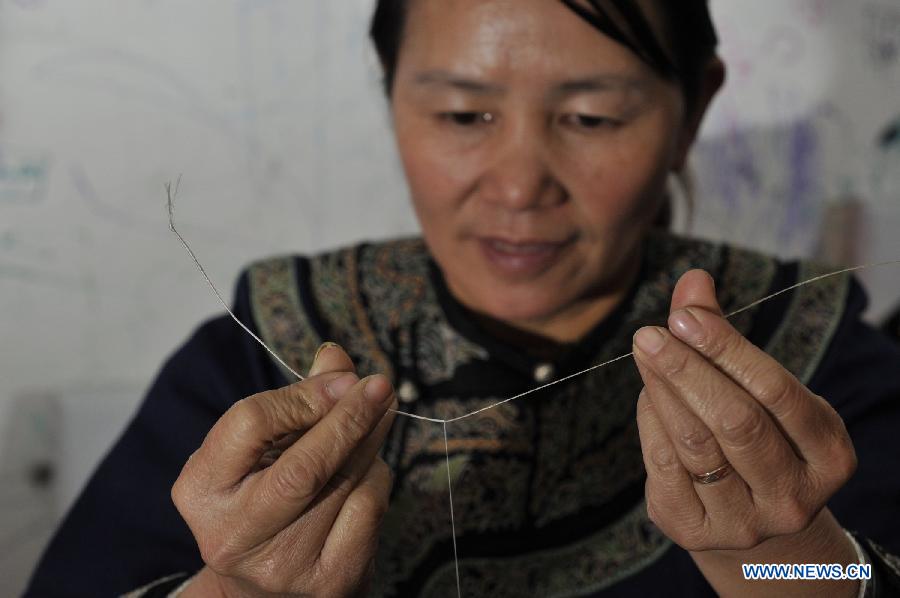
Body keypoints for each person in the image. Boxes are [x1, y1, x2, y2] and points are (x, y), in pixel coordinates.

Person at [25, 1, 900, 596]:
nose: (519, 187)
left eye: (592, 117)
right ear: (392, 98)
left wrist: (791, 565)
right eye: (460, 116)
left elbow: (844, 580)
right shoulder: (272, 341)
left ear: (692, 113)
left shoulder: (803, 349)